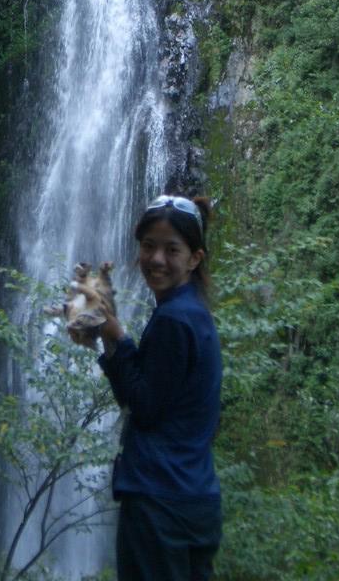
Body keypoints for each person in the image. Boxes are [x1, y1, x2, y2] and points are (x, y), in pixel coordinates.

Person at [71, 194, 222, 581]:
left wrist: (114, 333)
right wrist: (109, 334)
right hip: (191, 495)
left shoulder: (174, 320)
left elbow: (143, 406)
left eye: (172, 250)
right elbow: (149, 393)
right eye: (148, 246)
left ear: (195, 258)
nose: (156, 259)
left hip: (160, 503)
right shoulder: (192, 311)